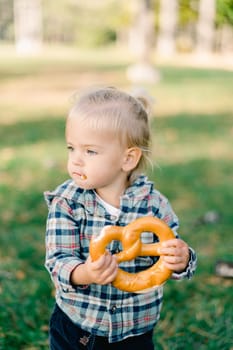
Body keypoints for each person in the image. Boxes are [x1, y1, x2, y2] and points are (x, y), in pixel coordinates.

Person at [44, 86, 197, 350]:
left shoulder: (154, 205)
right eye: (71, 148)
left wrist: (182, 260)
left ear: (128, 158)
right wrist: (86, 273)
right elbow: (58, 261)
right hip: (79, 327)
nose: (76, 161)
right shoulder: (67, 202)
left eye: (90, 151)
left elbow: (168, 250)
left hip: (135, 330)